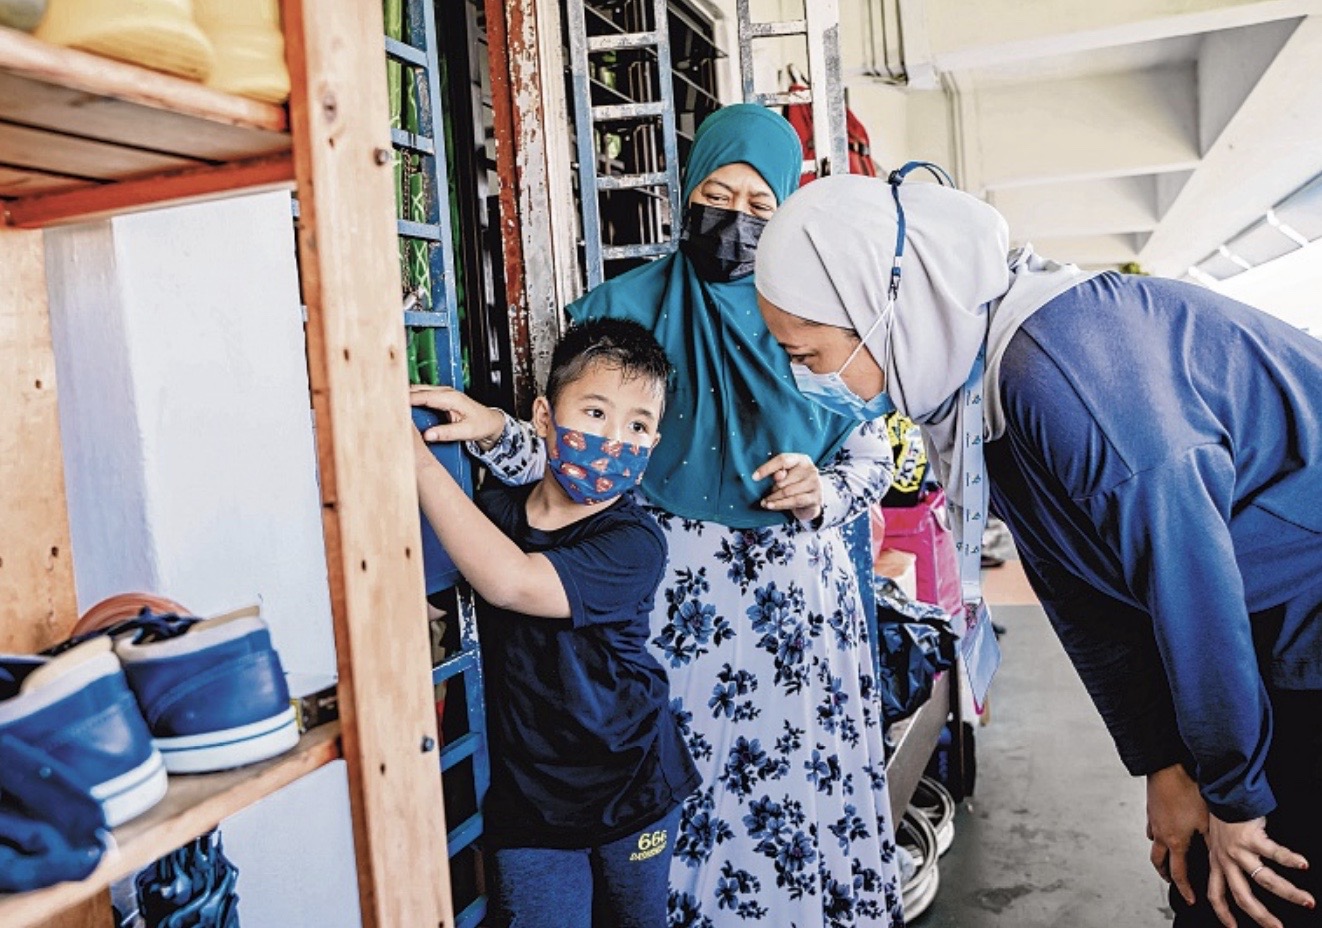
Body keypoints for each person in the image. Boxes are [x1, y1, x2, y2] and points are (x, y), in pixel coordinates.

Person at [754, 169, 1322, 928]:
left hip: (1299, 608)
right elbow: (1079, 593)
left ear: (881, 308)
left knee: (1264, 881)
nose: (805, 378)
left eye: (808, 353)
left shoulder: (1064, 376)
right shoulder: (982, 390)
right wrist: (1162, 761)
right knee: (1202, 880)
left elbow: (1194, 591)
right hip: (1256, 614)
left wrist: (1237, 796)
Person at [419, 105, 904, 927]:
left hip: (792, 610)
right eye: (717, 196)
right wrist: (496, 429)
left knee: (789, 794)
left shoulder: (817, 314)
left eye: (760, 206)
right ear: (687, 192)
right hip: (673, 603)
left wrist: (823, 491)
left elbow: (874, 456)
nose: (737, 220)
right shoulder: (625, 310)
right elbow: (574, 460)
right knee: (677, 803)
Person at [411, 318, 700, 928]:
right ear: (544, 417)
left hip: (631, 787)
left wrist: (417, 462)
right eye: (594, 413)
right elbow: (437, 600)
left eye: (637, 426)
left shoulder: (634, 542)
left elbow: (512, 582)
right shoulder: (493, 513)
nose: (614, 441)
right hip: (529, 801)